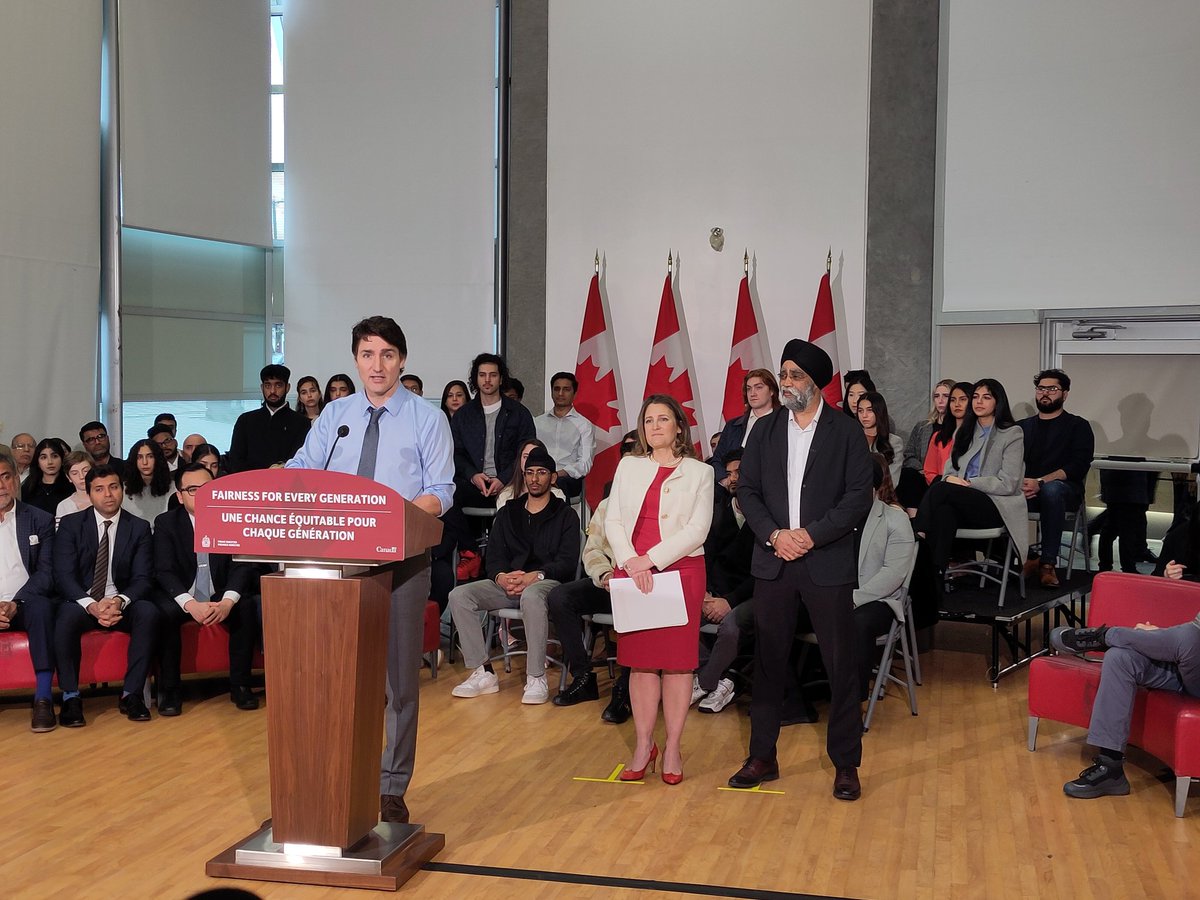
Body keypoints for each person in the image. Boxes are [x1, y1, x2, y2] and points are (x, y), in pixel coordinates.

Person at [285, 315, 454, 826]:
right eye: (366, 354)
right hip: (334, 565)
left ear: (401, 360)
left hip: (401, 565)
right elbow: (300, 471)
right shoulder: (336, 415)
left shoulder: (426, 418)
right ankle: (336, 774)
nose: (376, 365)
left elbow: (441, 490)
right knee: (333, 676)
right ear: (355, 360)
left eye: (386, 354)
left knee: (398, 684)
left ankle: (391, 785)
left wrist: (394, 524)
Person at [727, 339, 873, 801]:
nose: (785, 383)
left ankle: (846, 764)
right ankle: (762, 757)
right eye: (783, 374)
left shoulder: (846, 432)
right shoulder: (765, 430)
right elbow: (746, 491)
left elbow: (857, 498)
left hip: (825, 562)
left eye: (793, 376)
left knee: (840, 664)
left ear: (815, 382)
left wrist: (810, 535)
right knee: (768, 661)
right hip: (774, 561)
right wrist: (775, 535)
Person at [1049, 519, 1200, 799]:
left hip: (1190, 653)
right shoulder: (1188, 533)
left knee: (1189, 639)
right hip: (1187, 665)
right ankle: (1110, 768)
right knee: (1122, 659)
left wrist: (1163, 635)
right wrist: (1167, 579)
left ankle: (1104, 636)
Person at [606, 394, 713, 785]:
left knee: (678, 664)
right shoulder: (628, 467)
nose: (653, 426)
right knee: (641, 663)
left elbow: (697, 530)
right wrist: (631, 560)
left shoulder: (700, 472)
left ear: (679, 427)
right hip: (631, 570)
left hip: (680, 570)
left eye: (662, 419)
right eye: (647, 420)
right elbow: (613, 519)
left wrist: (650, 560)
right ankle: (643, 744)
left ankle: (672, 748)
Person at [448, 446, 580, 705]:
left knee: (532, 595)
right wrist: (500, 577)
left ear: (552, 478)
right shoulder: (509, 511)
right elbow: (494, 556)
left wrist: (535, 576)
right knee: (460, 595)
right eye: (530, 472)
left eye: (541, 473)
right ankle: (482, 672)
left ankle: (536, 676)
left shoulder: (565, 515)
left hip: (546, 583)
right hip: (508, 583)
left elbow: (566, 562)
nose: (534, 478)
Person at [152, 463, 268, 715]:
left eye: (208, 487)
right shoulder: (166, 523)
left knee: (245, 605)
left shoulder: (231, 517)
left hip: (219, 595)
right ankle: (170, 690)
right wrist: (190, 604)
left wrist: (228, 602)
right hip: (183, 596)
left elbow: (243, 565)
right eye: (193, 489)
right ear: (180, 496)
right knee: (163, 614)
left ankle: (240, 686)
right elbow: (164, 570)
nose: (202, 494)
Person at [53, 464, 160, 725]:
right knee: (65, 616)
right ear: (89, 494)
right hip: (82, 602)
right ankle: (70, 697)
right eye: (99, 489)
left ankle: (131, 694)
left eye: (113, 487)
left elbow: (143, 578)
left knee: (148, 612)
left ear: (121, 489)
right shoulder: (71, 525)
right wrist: (91, 605)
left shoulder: (139, 527)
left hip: (119, 601)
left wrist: (118, 602)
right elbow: (63, 576)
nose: (108, 495)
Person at [548, 431, 638, 711]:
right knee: (560, 597)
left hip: (642, 585)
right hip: (609, 583)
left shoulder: (660, 503)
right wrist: (605, 575)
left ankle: (625, 686)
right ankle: (583, 675)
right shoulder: (606, 506)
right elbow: (593, 549)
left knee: (635, 602)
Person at [912, 379, 1027, 594]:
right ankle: (934, 580)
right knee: (944, 512)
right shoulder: (963, 432)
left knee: (941, 488)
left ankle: (917, 531)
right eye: (976, 397)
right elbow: (948, 473)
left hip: (995, 505)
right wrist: (954, 482)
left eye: (986, 397)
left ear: (998, 401)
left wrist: (968, 483)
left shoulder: (1012, 434)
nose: (979, 402)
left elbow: (1009, 483)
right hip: (961, 501)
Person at [693, 447, 756, 714]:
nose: (732, 479)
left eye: (738, 472)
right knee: (680, 616)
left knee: (731, 627)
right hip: (714, 593)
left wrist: (728, 602)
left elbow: (762, 573)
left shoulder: (766, 517)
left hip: (751, 595)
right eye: (729, 473)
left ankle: (705, 681)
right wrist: (705, 594)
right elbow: (704, 559)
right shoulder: (715, 513)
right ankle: (720, 676)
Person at [1017, 369, 1095, 588]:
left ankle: (1048, 564)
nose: (1045, 393)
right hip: (1027, 489)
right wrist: (1021, 483)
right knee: (993, 495)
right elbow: (1011, 461)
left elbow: (1077, 465)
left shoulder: (1078, 426)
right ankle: (1030, 556)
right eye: (1041, 388)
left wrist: (1041, 482)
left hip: (1065, 491)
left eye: (1052, 389)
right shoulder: (1022, 427)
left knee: (1052, 490)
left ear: (1065, 394)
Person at [0, 450, 58, 731]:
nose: (0, 485)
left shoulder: (40, 519)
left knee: (43, 607)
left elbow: (46, 573)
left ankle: (44, 699)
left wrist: (15, 603)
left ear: (15, 480)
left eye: (5, 477)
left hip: (24, 603)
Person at [852, 455, 916, 701]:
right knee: (781, 610)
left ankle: (851, 706)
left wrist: (853, 598)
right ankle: (794, 699)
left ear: (873, 487)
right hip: (835, 594)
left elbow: (893, 574)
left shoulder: (895, 518)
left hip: (877, 600)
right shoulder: (835, 517)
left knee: (858, 623)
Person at [450, 352, 536, 510]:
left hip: (511, 483)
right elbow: (456, 453)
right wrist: (473, 476)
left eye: (493, 375)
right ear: (476, 379)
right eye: (482, 375)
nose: (487, 380)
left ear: (501, 379)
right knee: (448, 497)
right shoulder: (463, 415)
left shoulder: (519, 413)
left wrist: (503, 478)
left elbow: (526, 453)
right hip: (473, 484)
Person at [227, 364, 311, 472]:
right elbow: (236, 460)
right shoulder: (246, 420)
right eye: (268, 386)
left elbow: (300, 460)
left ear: (287, 388)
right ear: (262, 387)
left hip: (287, 484)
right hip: (250, 485)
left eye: (278, 385)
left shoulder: (301, 423)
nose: (272, 391)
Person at [709, 369, 781, 484]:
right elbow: (716, 460)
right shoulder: (733, 426)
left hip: (773, 491)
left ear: (771, 390)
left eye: (759, 387)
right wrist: (726, 480)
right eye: (749, 388)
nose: (752, 393)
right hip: (737, 494)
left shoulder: (785, 423)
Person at [534, 371, 594, 498]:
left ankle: (555, 518)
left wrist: (560, 473)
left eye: (566, 389)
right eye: (557, 389)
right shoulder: (537, 422)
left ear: (575, 393)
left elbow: (585, 463)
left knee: (558, 485)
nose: (560, 393)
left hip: (567, 478)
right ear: (551, 392)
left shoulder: (584, 425)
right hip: (538, 474)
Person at [898, 379, 955, 513]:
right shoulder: (922, 427)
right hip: (921, 475)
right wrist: (922, 469)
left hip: (943, 478)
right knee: (908, 474)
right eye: (937, 396)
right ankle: (914, 520)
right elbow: (909, 454)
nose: (940, 400)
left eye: (945, 396)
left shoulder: (959, 428)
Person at [922, 382, 973, 486]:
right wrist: (945, 480)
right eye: (953, 400)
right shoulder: (939, 436)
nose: (957, 404)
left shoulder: (978, 435)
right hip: (942, 486)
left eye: (963, 399)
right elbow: (929, 472)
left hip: (970, 487)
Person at [495, 438, 566, 509]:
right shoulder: (506, 495)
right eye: (526, 457)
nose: (529, 461)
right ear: (520, 460)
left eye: (535, 457)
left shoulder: (557, 495)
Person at [855, 391, 904, 489]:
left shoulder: (894, 442)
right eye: (860, 411)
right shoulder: (852, 439)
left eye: (869, 410)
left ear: (879, 411)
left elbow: (893, 480)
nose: (864, 415)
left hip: (882, 496)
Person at [121, 438, 173, 528]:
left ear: (157, 458)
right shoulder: (122, 489)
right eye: (139, 457)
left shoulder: (173, 488)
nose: (145, 462)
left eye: (150, 456)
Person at [20, 438, 73, 517]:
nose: (50, 462)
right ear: (37, 462)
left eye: (54, 456)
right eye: (43, 457)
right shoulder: (28, 488)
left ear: (62, 459)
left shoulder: (72, 487)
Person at [55, 451, 93, 523]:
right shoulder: (64, 506)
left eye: (85, 471)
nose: (82, 476)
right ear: (68, 477)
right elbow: (61, 533)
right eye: (75, 473)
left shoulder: (105, 499)